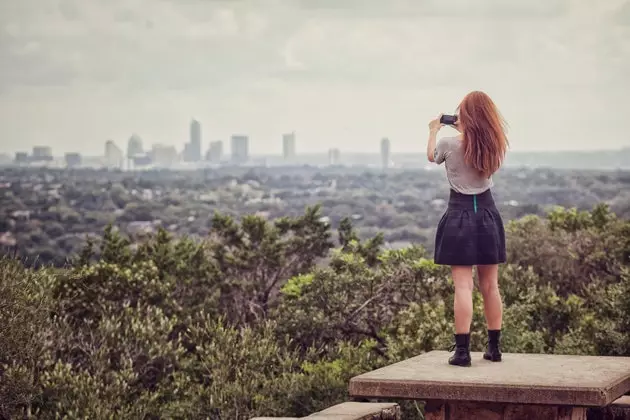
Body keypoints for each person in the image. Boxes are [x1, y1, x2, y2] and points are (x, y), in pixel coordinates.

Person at [426, 91, 509, 367]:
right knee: (490, 285)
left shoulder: (448, 142)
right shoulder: (493, 144)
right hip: (487, 214)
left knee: (463, 286)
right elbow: (474, 148)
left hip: (459, 214)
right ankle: (494, 349)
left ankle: (462, 353)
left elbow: (431, 157)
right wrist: (464, 127)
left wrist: (434, 130)